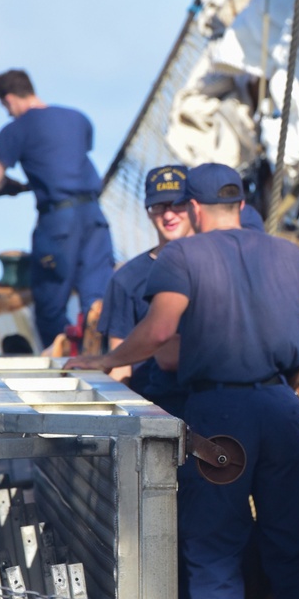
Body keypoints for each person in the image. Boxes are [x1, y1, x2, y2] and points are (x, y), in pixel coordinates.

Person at [76, 162, 299, 599]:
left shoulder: (182, 258)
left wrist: (102, 360)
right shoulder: (289, 257)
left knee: (215, 551)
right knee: (294, 549)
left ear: (194, 209)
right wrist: (280, 384)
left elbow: (160, 335)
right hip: (279, 410)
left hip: (219, 418)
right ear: (241, 202)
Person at [0, 70, 114, 347]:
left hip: (59, 223)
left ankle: (65, 360)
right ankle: (101, 358)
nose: (7, 113)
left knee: (51, 304)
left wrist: (11, 183)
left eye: (4, 107)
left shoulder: (16, 130)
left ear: (8, 99)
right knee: (96, 297)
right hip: (94, 216)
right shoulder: (77, 118)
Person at [98, 166, 193, 415]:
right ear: (148, 212)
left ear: (194, 206)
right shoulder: (126, 280)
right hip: (157, 409)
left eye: (177, 204)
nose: (169, 214)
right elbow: (121, 366)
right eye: (158, 206)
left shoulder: (219, 265)